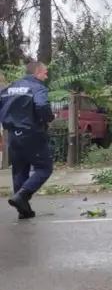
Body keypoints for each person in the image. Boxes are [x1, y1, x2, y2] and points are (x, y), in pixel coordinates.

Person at [1, 61, 55, 219]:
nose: (46, 75)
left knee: (20, 171)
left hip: (12, 134)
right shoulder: (37, 87)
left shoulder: (9, 88)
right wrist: (49, 118)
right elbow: (41, 106)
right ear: (36, 73)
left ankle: (23, 210)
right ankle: (23, 196)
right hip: (31, 134)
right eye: (45, 72)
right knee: (45, 168)